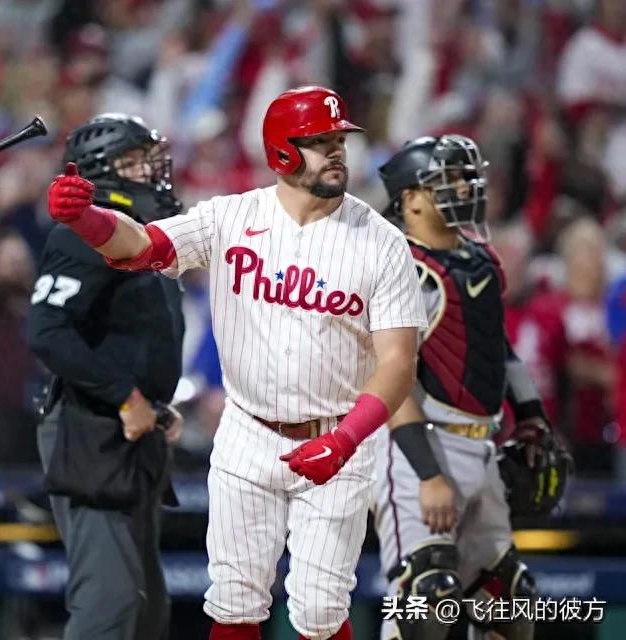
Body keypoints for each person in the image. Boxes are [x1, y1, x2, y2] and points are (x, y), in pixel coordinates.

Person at [45, 87, 428, 640]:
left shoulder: (383, 244)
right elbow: (144, 246)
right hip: (248, 431)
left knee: (320, 610)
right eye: (320, 142)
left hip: (337, 433)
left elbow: (397, 363)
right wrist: (87, 220)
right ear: (282, 152)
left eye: (339, 141)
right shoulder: (231, 216)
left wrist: (346, 440)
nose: (336, 152)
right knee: (233, 599)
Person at [372, 135, 569, 640]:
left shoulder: (477, 261)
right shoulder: (398, 270)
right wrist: (429, 473)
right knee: (427, 595)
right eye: (447, 179)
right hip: (418, 446)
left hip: (483, 446)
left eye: (465, 177)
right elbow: (390, 384)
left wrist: (532, 417)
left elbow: (498, 348)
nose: (463, 187)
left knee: (510, 601)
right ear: (411, 199)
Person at [28, 113, 186, 640]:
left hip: (130, 429)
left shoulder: (141, 238)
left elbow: (133, 337)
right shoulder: (81, 236)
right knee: (109, 604)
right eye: (133, 161)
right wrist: (125, 397)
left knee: (145, 611)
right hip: (90, 428)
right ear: (100, 171)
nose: (149, 171)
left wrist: (155, 404)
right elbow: (47, 331)